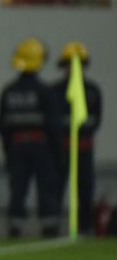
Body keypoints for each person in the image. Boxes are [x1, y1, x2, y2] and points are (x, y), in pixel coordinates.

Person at [0, 38, 62, 238]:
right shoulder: (45, 91)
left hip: (17, 146)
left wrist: (8, 149)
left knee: (18, 188)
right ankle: (49, 226)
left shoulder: (9, 91)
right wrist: (57, 152)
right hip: (41, 146)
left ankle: (15, 225)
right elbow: (54, 126)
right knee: (46, 187)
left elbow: (1, 125)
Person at [52, 42, 102, 234]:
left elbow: (96, 120)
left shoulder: (92, 91)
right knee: (56, 188)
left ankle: (85, 227)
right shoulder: (55, 91)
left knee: (85, 189)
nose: (73, 68)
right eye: (69, 64)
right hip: (61, 149)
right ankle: (53, 226)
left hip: (84, 148)